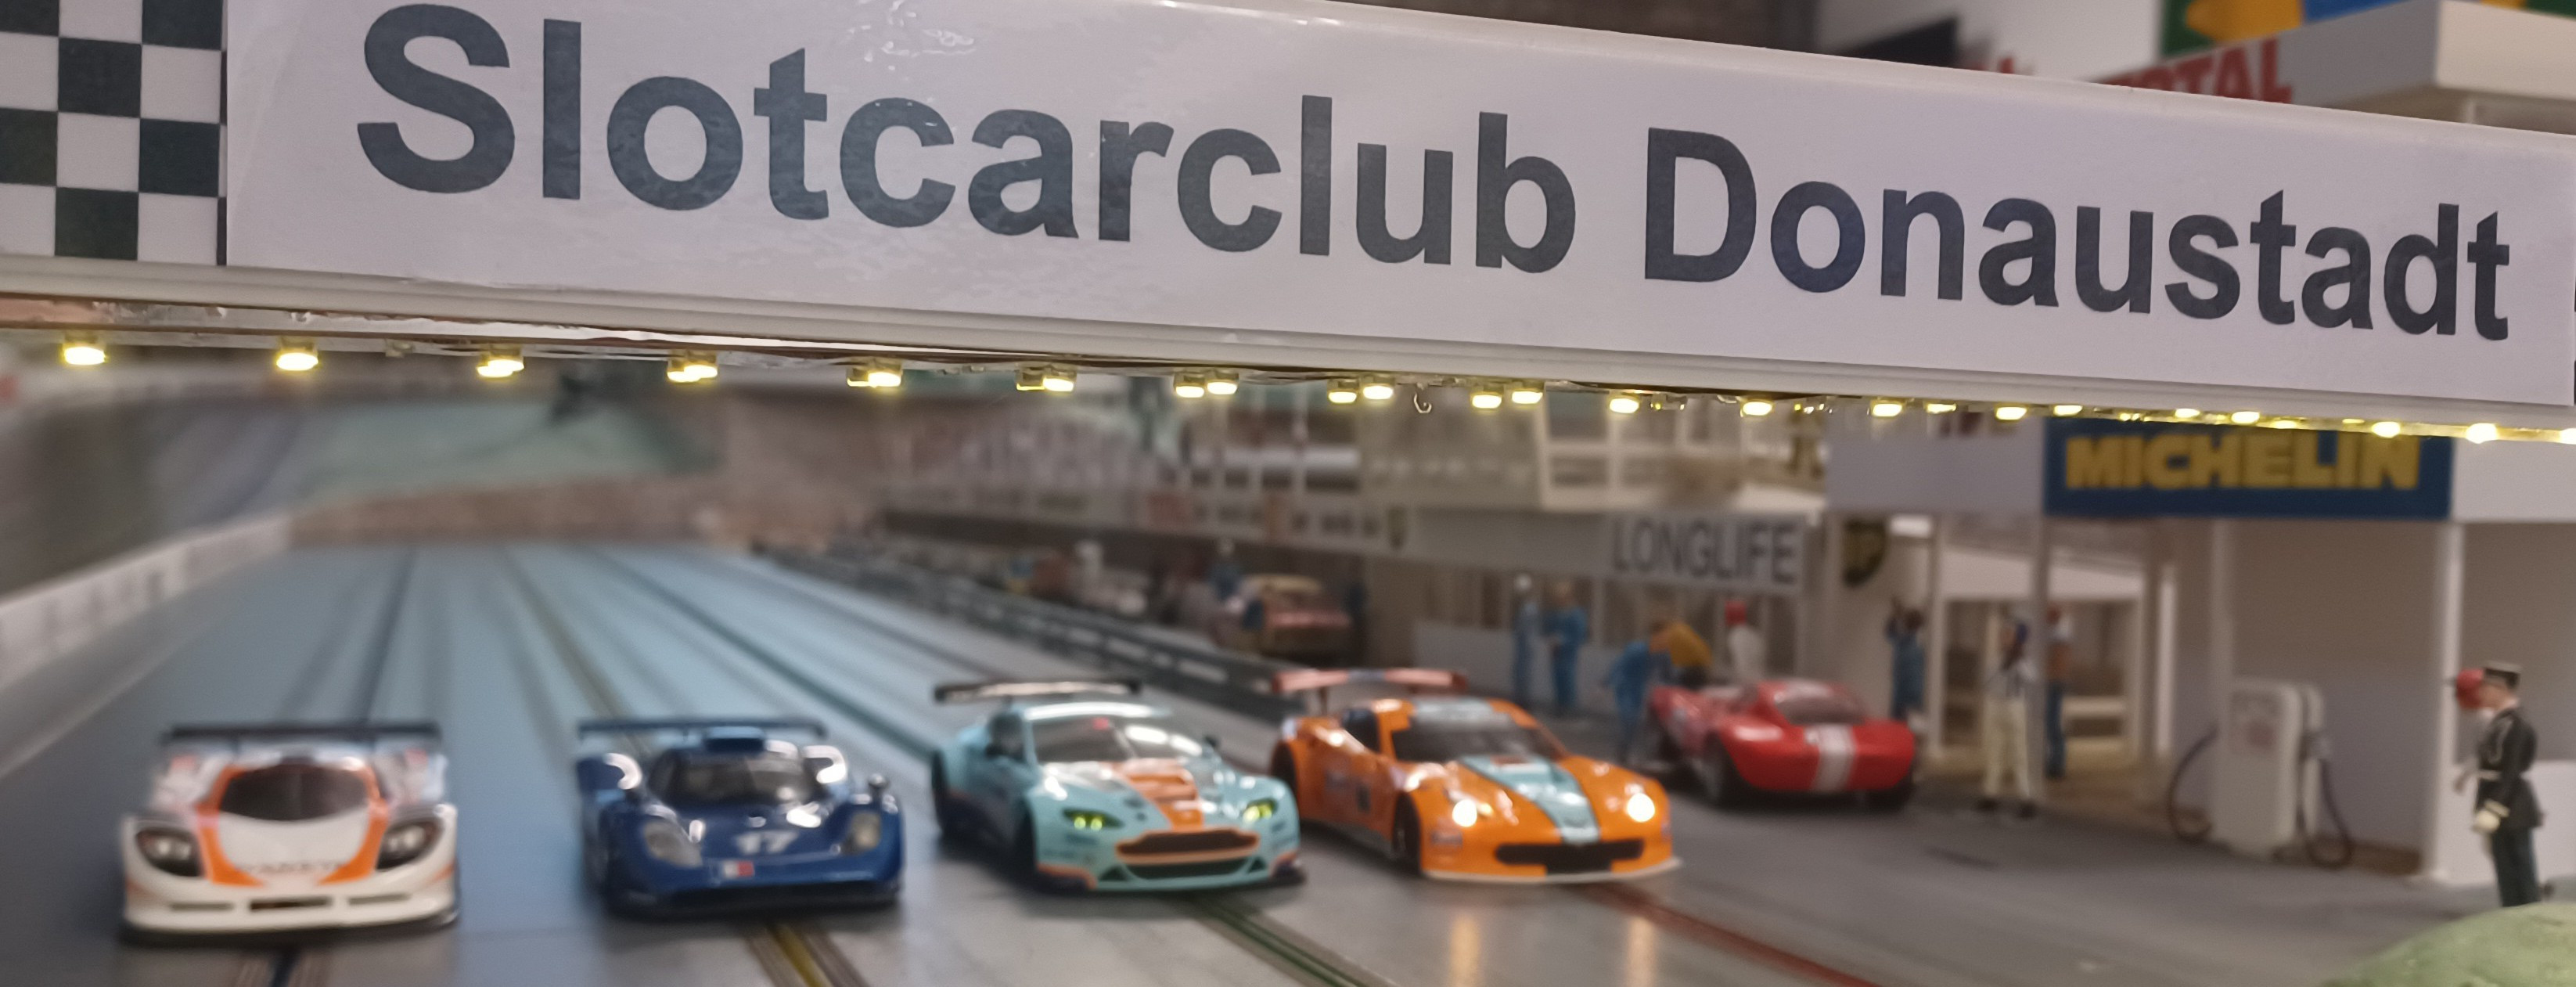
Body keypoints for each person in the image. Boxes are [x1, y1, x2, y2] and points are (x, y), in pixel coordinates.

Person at [2463, 664, 2544, 907]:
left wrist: (2494, 808)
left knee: (2520, 867)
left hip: (2513, 804)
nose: (2481, 693)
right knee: (2504, 867)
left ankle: (2529, 913)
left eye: (2486, 688)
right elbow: (2488, 759)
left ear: (2501, 689)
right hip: (2496, 797)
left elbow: (2511, 772)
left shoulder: (2517, 725)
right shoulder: (2497, 722)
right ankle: (2510, 911)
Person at [1979, 614, 2038, 819]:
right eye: (2004, 634)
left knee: (2019, 754)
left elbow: (2031, 678)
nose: (2004, 637)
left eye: (2009, 634)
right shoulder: (1998, 658)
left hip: (2014, 705)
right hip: (1996, 704)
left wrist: (2017, 661)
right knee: (1994, 750)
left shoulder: (2023, 660)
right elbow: (1987, 680)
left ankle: (2026, 798)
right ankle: (1990, 794)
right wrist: (2003, 664)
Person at [1601, 638, 1670, 765]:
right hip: (1625, 686)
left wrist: (1671, 686)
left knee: (1634, 721)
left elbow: (1667, 671)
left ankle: (1625, 751)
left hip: (1637, 688)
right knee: (1629, 718)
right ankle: (1622, 751)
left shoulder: (1661, 654)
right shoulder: (1636, 651)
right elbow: (1619, 665)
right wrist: (1606, 682)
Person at [1545, 582, 1588, 716]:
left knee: (1568, 682)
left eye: (1562, 597)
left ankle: (1569, 710)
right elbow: (1550, 628)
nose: (1559, 601)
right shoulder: (1558, 613)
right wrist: (1553, 639)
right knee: (1557, 681)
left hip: (1568, 654)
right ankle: (1560, 708)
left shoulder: (1576, 614)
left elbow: (1579, 636)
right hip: (1557, 654)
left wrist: (1562, 641)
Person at [1653, 608, 1715, 690]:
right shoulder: (1681, 628)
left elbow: (1660, 658)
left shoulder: (1668, 635)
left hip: (1689, 672)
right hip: (1702, 670)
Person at [1886, 603, 1927, 725]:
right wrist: (1896, 614)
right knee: (1904, 726)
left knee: (1902, 726)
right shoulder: (1907, 642)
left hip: (1908, 695)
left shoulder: (1907, 643)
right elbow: (1890, 632)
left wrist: (1896, 614)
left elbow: (1890, 632)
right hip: (1908, 694)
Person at [2043, 606, 2072, 780]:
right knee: (2049, 725)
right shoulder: (2049, 634)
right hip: (2051, 683)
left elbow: (2059, 662)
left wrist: (2053, 677)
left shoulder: (2059, 636)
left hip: (2054, 684)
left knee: (2053, 725)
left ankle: (2056, 764)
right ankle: (2051, 762)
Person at [1509, 575, 1542, 709]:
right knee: (1519, 673)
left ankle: (1524, 702)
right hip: (1523, 646)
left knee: (1525, 675)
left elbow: (1526, 629)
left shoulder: (1530, 609)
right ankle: (1520, 699)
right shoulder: (1525, 607)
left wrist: (1528, 644)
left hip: (1526, 646)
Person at [1723, 600, 1765, 687]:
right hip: (1758, 679)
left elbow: (1742, 664)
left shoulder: (1737, 635)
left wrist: (1741, 683)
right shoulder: (1753, 634)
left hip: (1747, 683)